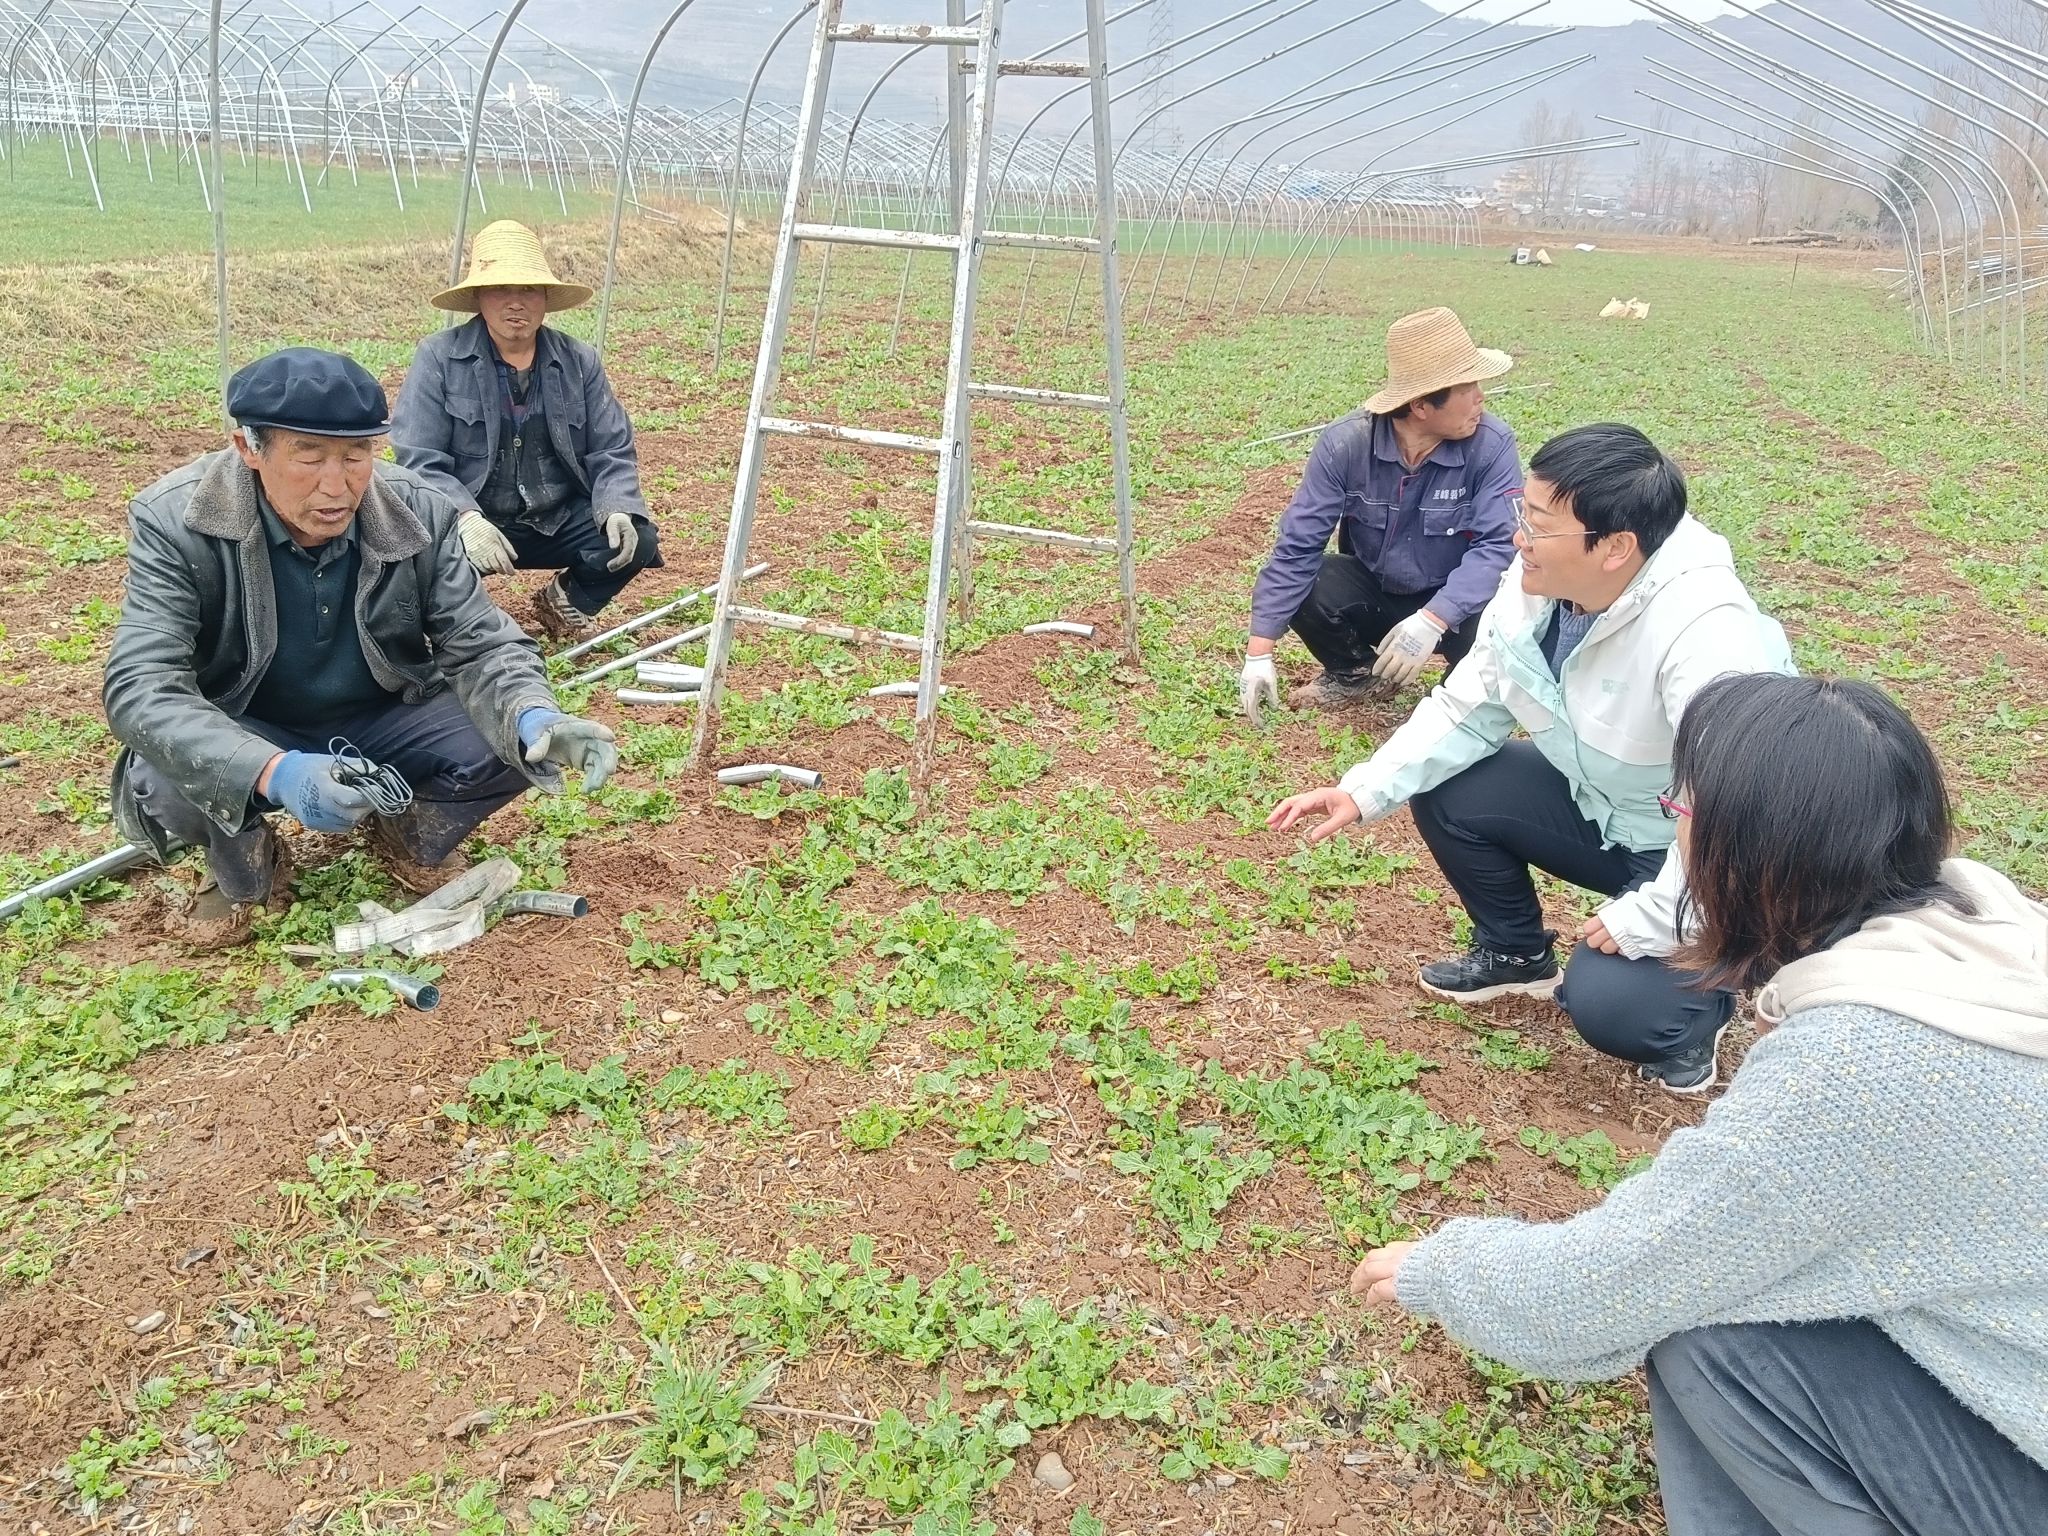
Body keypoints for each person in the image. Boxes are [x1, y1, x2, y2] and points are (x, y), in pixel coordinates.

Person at [1350, 673, 2048, 1536]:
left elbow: (1618, 1285)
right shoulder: (1989, 930)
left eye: (1681, 808)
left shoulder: (1859, 1067)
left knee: (1710, 1338)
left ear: (1749, 851)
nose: (1673, 821)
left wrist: (1448, 1270)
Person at [1268, 423, 1791, 1093]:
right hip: (1604, 809)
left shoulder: (1708, 632)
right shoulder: (1538, 580)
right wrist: (1365, 789)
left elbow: (1732, 809)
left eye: (1539, 526)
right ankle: (1514, 954)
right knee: (1454, 788)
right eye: (1525, 515)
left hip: (1707, 857)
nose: (1519, 540)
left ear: (1615, 547)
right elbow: (1469, 701)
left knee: (1614, 1006)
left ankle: (1698, 1009)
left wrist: (1652, 915)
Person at [104, 347, 619, 949]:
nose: (337, 485)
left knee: (509, 735)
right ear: (248, 448)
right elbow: (142, 685)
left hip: (383, 714)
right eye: (308, 456)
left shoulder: (418, 509)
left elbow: (481, 643)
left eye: (355, 456)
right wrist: (275, 772)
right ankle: (245, 858)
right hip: (248, 721)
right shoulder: (177, 520)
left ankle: (408, 832)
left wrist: (535, 716)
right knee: (164, 771)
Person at [1239, 306, 1521, 723]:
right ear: (1421, 405)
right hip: (1378, 591)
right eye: (1468, 387)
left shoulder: (1491, 445)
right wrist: (1258, 652)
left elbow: (1498, 545)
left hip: (1457, 601)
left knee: (1505, 606)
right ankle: (1356, 674)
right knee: (1312, 581)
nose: (1481, 397)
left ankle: (1458, 691)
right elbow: (1298, 546)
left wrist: (1433, 619)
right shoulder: (1346, 445)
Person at [391, 219, 662, 640]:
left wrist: (618, 508)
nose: (515, 303)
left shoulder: (579, 361)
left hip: (557, 519)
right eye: (501, 289)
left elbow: (611, 449)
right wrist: (464, 517)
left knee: (636, 538)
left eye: (529, 290)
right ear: (479, 297)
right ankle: (446, 624)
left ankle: (567, 600)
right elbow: (419, 458)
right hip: (479, 518)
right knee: (417, 550)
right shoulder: (439, 358)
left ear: (546, 298)